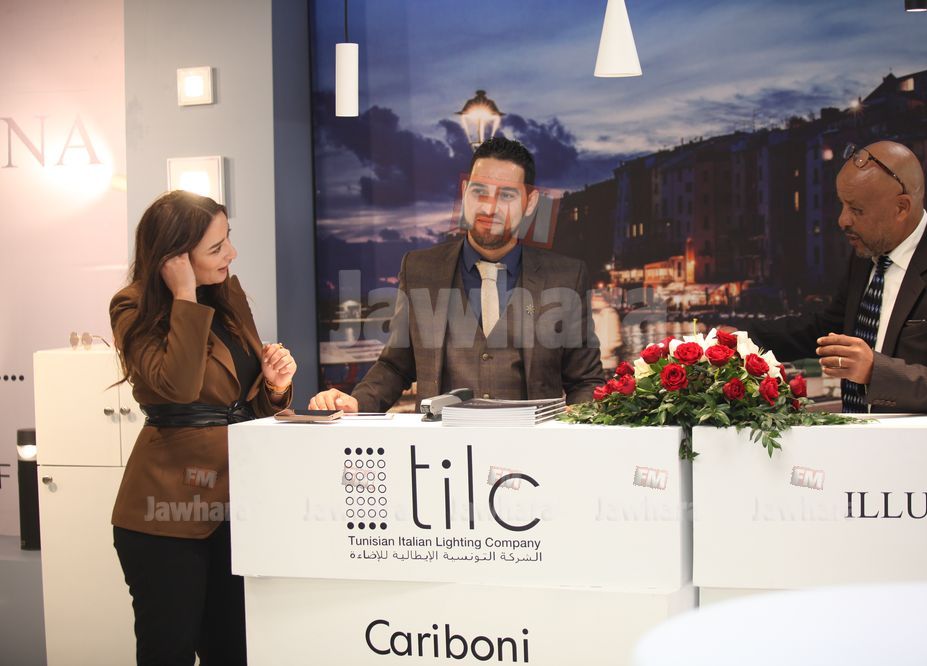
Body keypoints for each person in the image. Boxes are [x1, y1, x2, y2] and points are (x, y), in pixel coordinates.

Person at [109, 190, 296, 665]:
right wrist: (184, 296)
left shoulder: (228, 295)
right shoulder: (132, 307)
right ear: (174, 258)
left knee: (234, 651)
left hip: (236, 507)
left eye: (228, 238)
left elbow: (242, 403)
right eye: (216, 248)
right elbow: (177, 386)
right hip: (166, 512)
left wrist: (274, 388)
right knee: (168, 652)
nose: (231, 253)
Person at [310, 137, 603, 412]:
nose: (489, 207)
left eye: (506, 195)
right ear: (465, 192)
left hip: (532, 447)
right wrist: (356, 403)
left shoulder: (566, 277)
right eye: (479, 191)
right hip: (440, 446)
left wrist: (574, 428)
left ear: (530, 202)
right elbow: (395, 366)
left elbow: (586, 382)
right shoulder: (419, 269)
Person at [743, 141, 927, 413]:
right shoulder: (866, 254)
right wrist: (741, 340)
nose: (842, 220)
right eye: (842, 205)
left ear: (901, 207)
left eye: (856, 210)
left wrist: (875, 371)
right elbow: (826, 330)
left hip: (916, 440)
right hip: (856, 436)